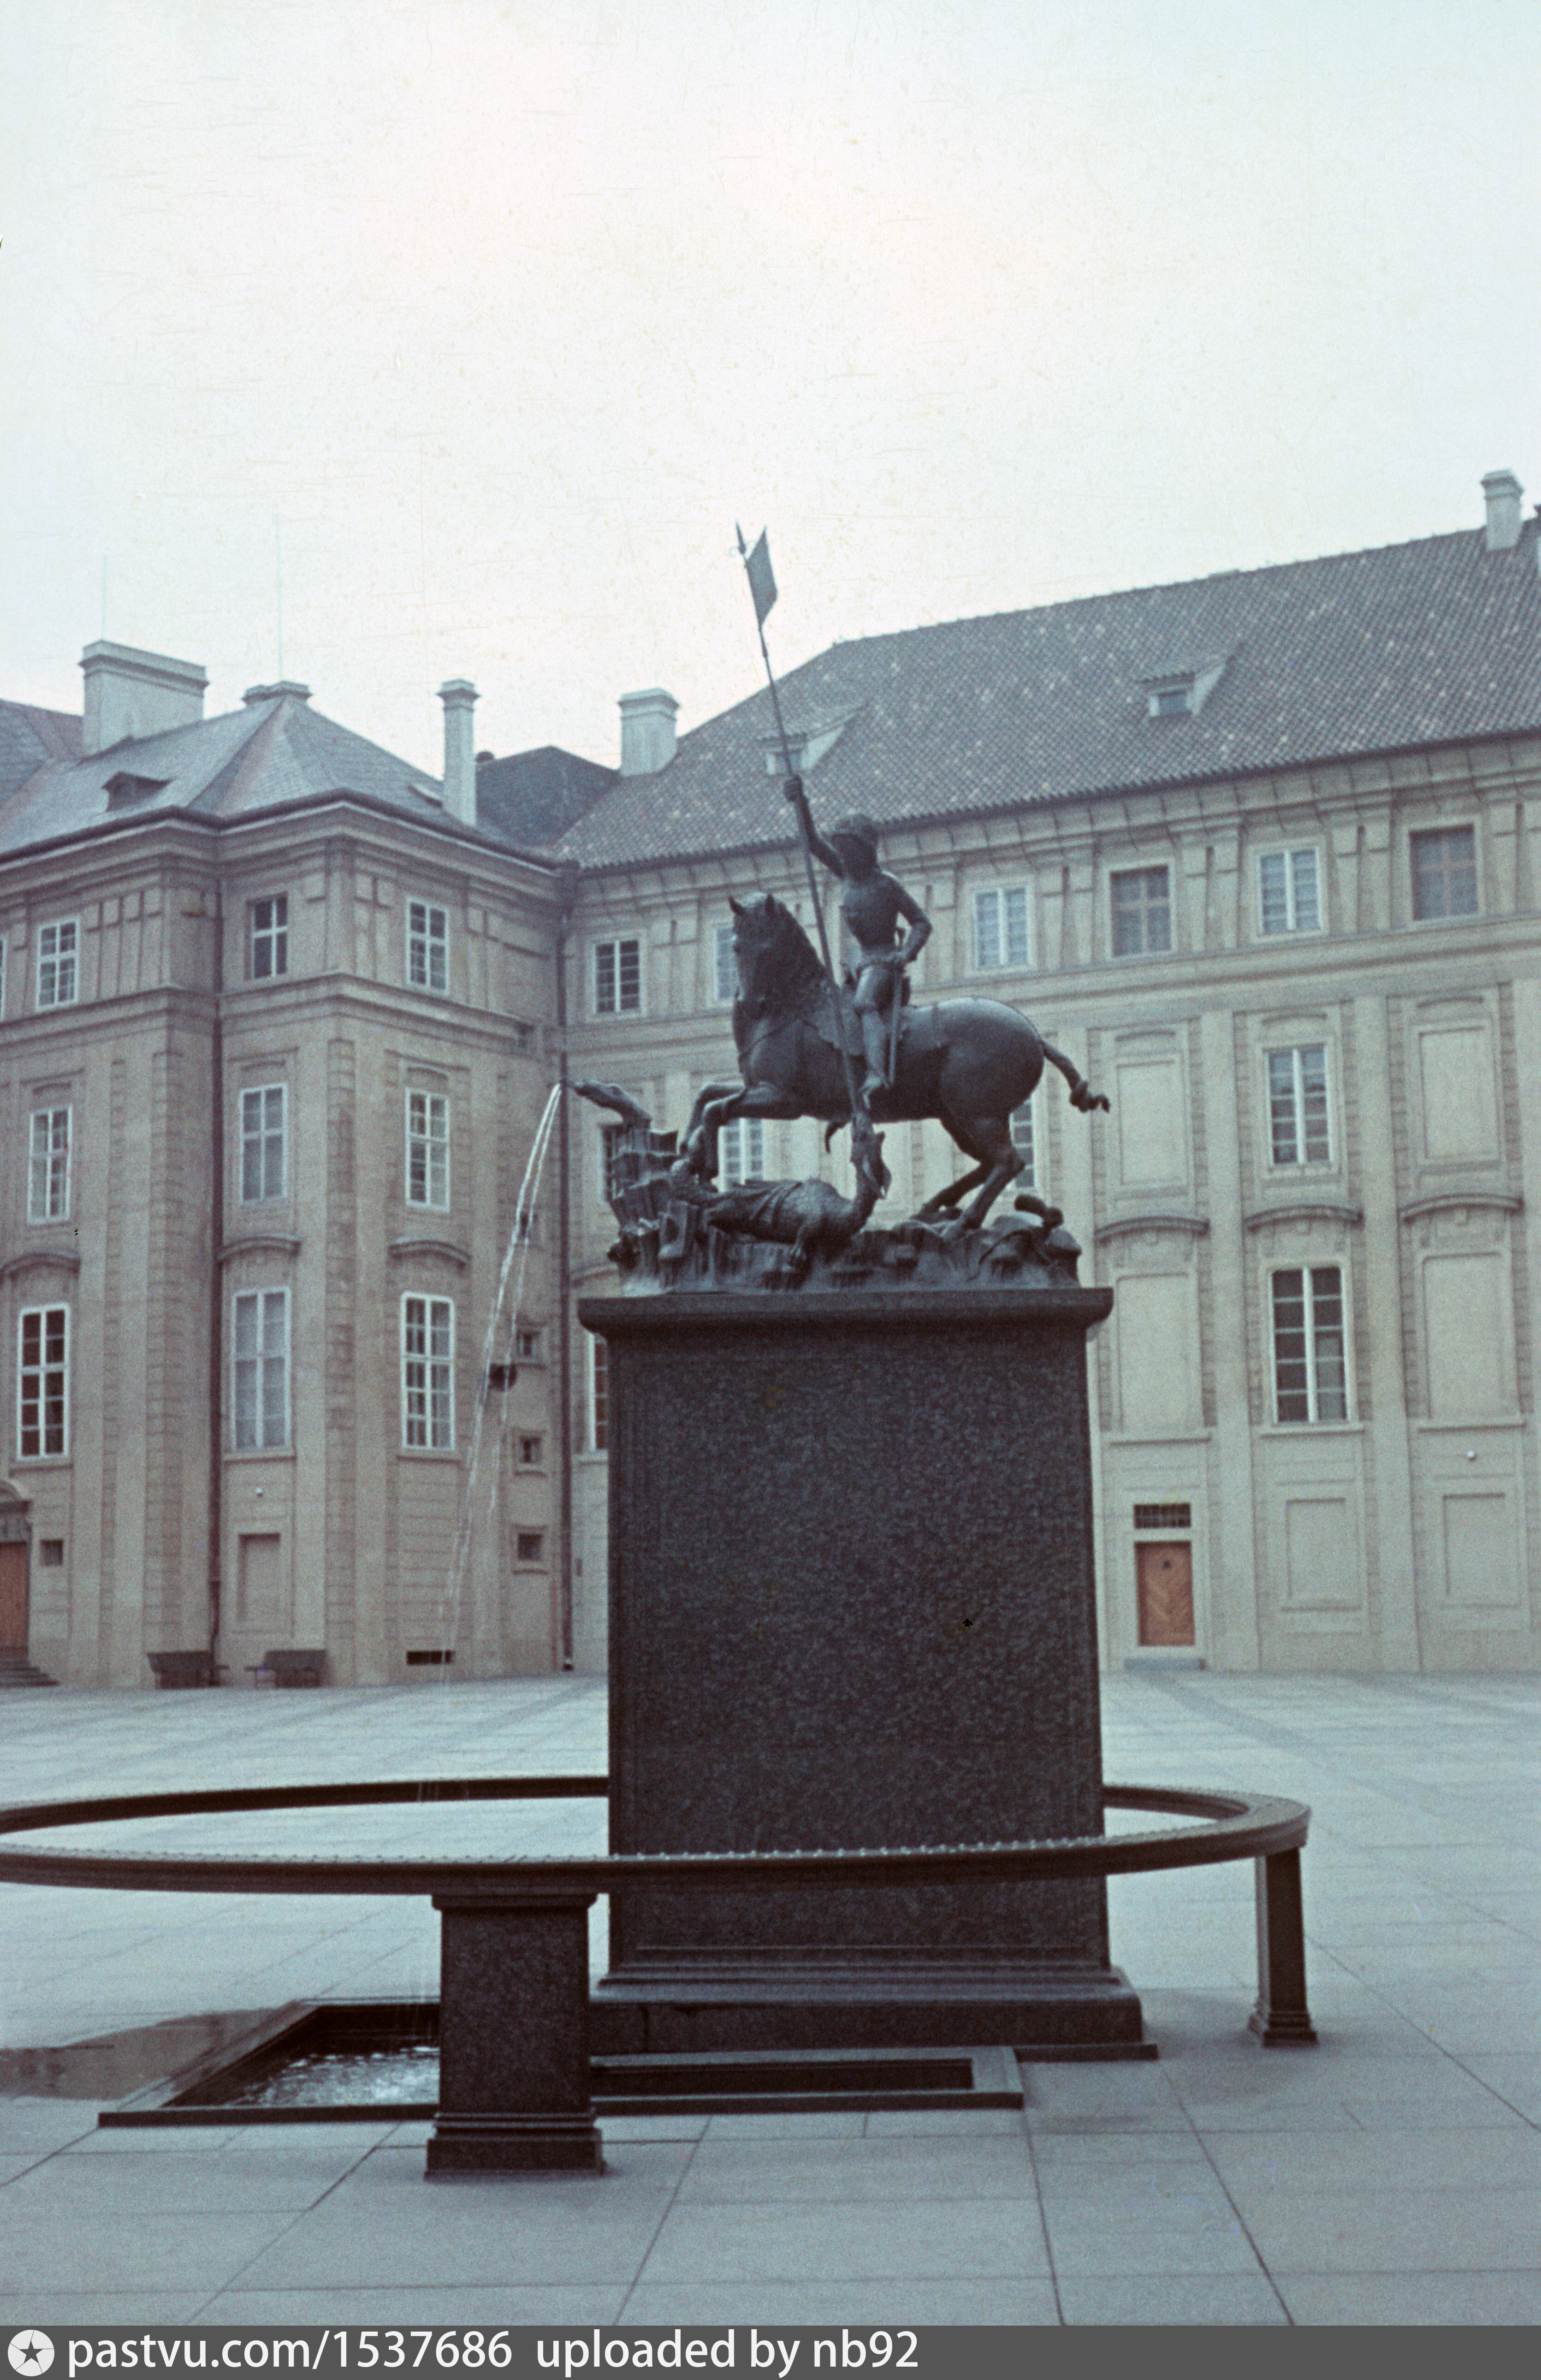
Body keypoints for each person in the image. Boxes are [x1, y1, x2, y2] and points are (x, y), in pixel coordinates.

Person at [785, 776, 931, 1099]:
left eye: (850, 850)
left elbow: (922, 923)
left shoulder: (887, 884)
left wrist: (905, 954)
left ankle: (878, 1074)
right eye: (842, 850)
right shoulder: (846, 875)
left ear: (866, 851)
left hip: (884, 961)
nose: (844, 856)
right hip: (859, 965)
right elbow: (812, 842)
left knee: (864, 1003)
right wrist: (800, 802)